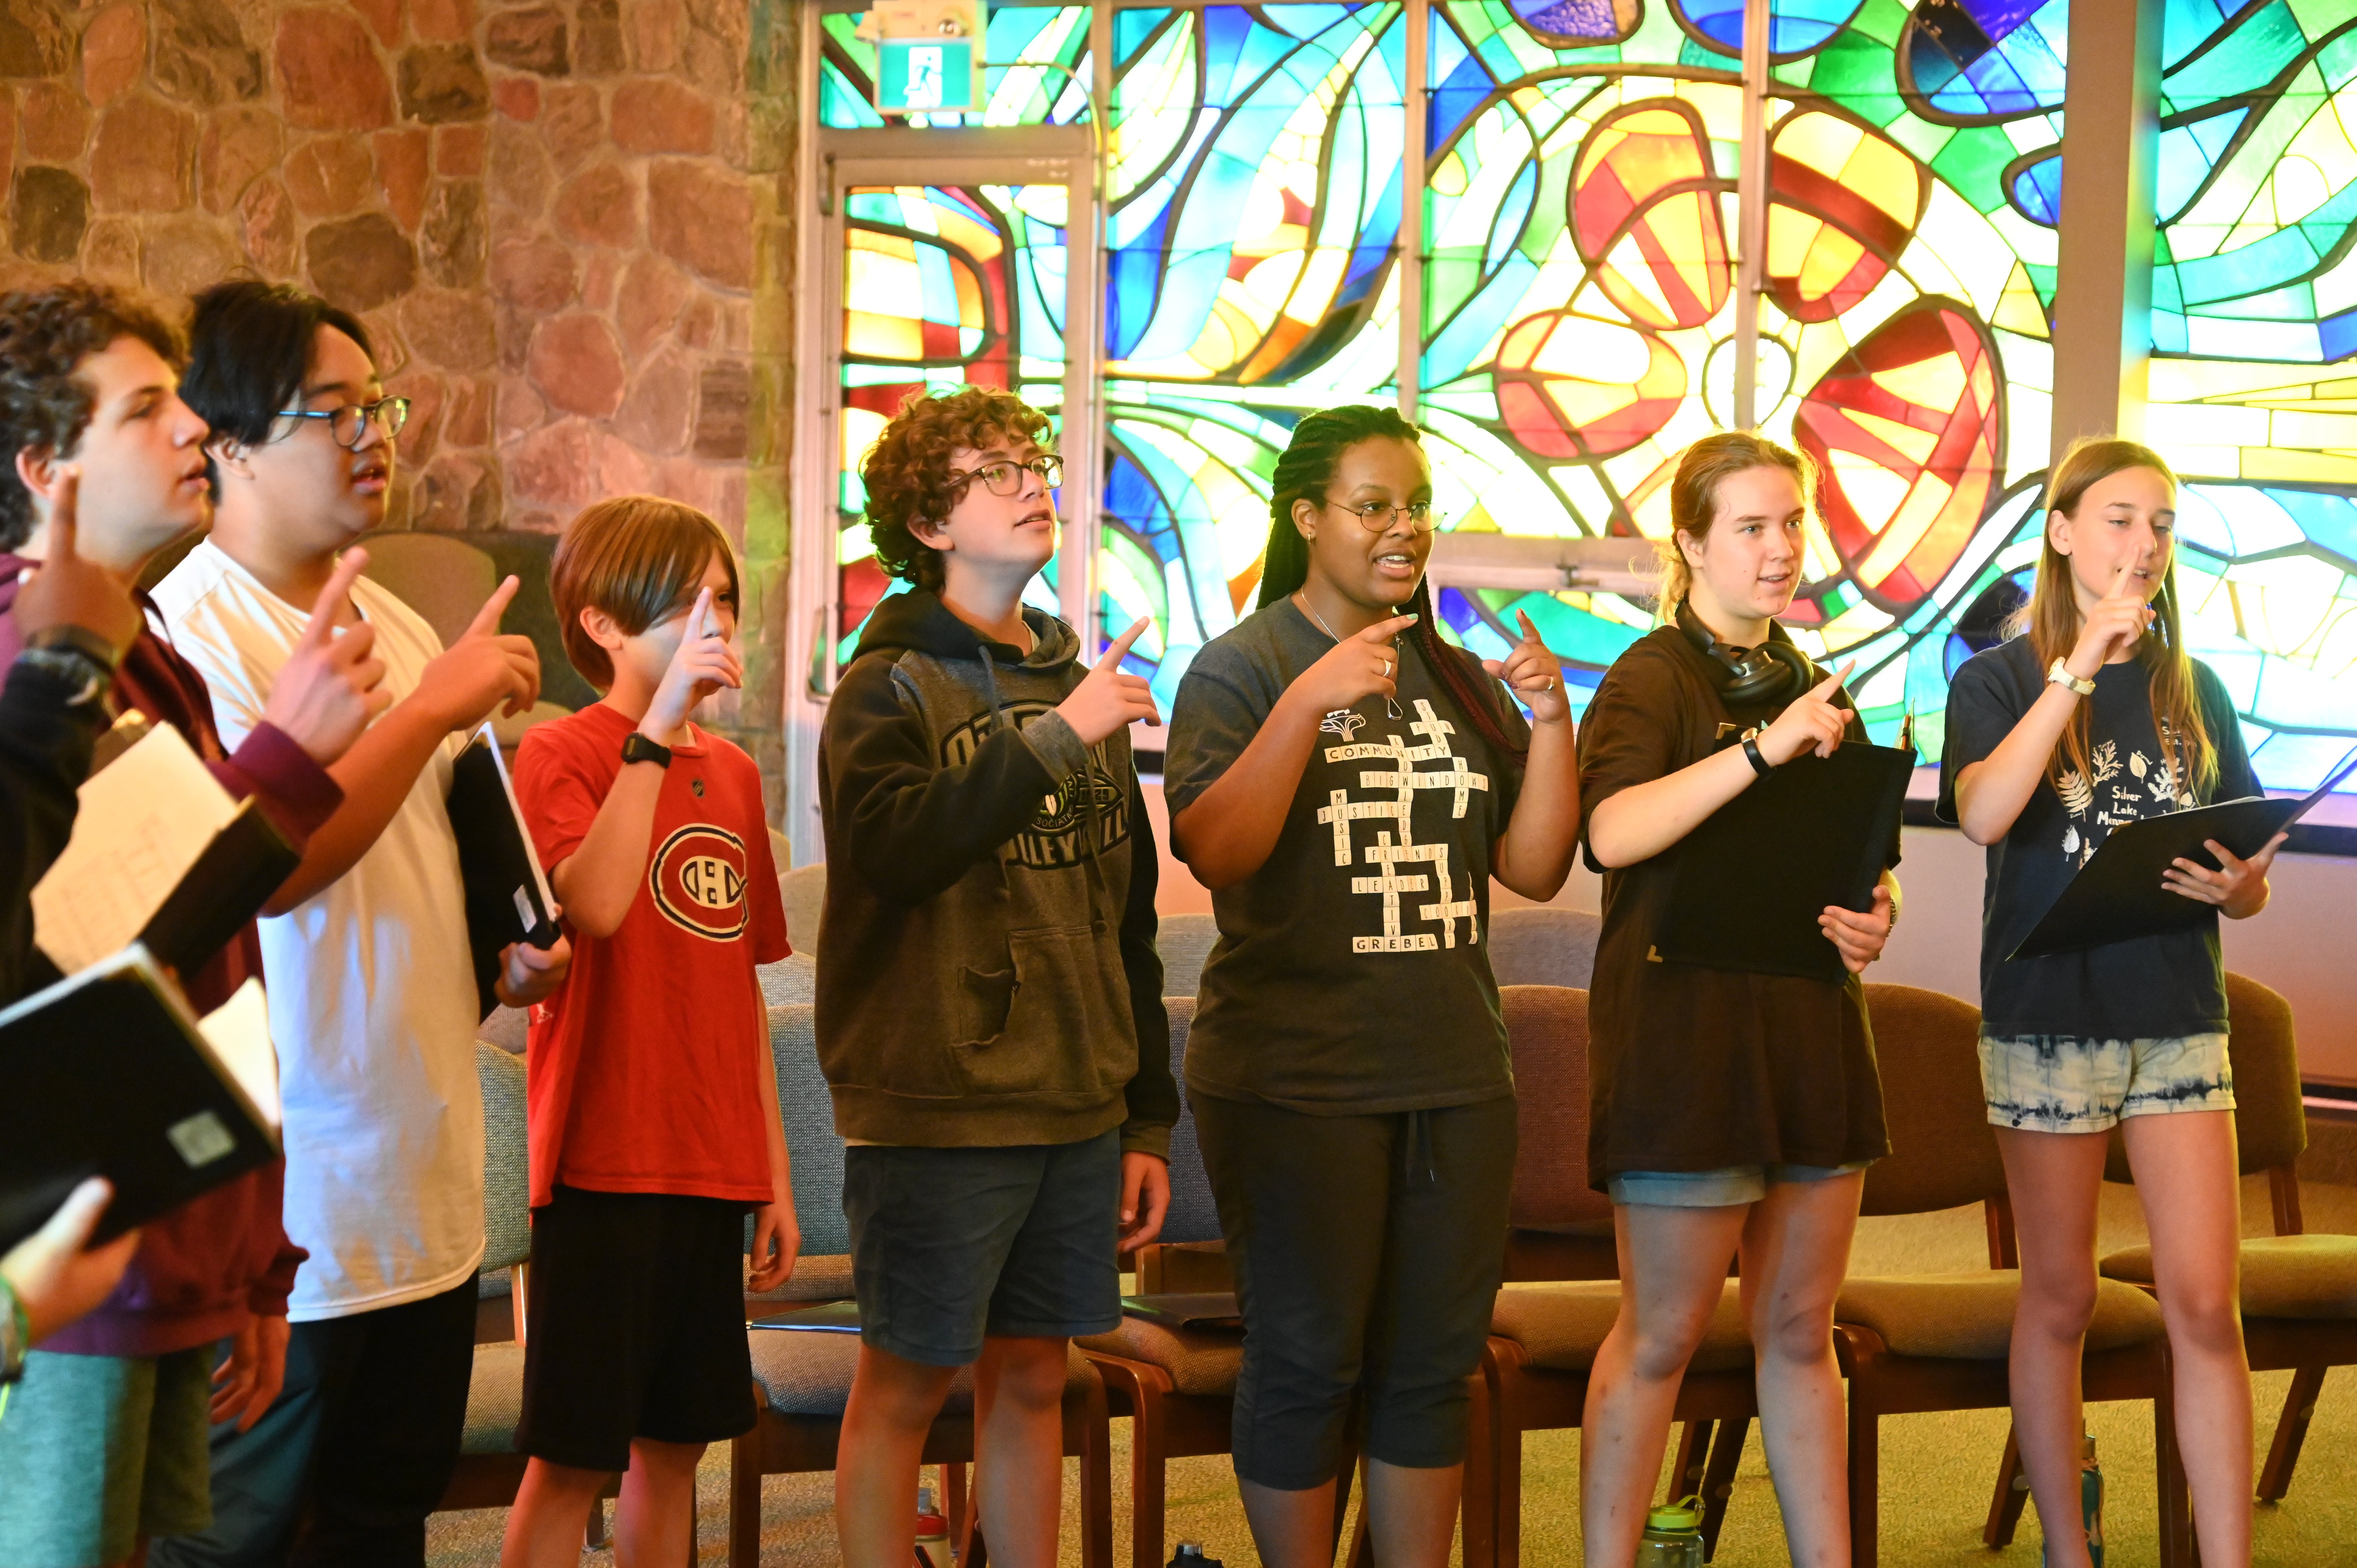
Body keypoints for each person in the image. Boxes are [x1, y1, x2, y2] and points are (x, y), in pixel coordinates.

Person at [147, 281, 569, 1568]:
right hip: (301, 1205)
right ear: (224, 444)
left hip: (425, 1177)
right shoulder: (191, 635)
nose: (375, 433)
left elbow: (426, 859)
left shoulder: (392, 616)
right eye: (333, 411)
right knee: (253, 1544)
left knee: (387, 1531)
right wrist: (431, 712)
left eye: (380, 404)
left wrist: (512, 946)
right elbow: (267, 875)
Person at [0, 280, 389, 1568]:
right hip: (68, 1263)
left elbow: (210, 973)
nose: (191, 435)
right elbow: (85, 960)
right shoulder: (26, 655)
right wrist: (286, 760)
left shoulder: (136, 652)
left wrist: (251, 1258)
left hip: (168, 1243)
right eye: (147, 408)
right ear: (45, 467)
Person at [1163, 403, 1582, 1567]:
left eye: (1417, 505)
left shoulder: (1445, 669)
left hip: (1452, 1071)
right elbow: (1218, 849)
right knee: (1308, 1358)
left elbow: (1535, 866)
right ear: (1308, 520)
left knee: (1431, 1364)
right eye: (1373, 506)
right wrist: (1309, 701)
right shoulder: (1242, 668)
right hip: (1296, 1077)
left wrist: (1550, 725)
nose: (1405, 528)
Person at [819, 385, 1174, 1568]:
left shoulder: (1076, 679)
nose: (1032, 483)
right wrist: (1060, 735)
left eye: (1033, 461)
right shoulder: (887, 687)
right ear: (927, 525)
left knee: (1034, 1378)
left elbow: (1126, 916)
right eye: (991, 471)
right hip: (939, 1106)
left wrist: (1144, 1118)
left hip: (1073, 1099)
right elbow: (898, 851)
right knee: (909, 1388)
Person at [1940, 437, 2270, 1568]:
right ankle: (2068, 1555)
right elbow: (1986, 817)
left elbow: (2240, 860)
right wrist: (2076, 664)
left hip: (2178, 1012)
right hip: (2048, 1021)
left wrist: (2247, 886)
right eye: (2121, 520)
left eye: (2164, 525)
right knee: (2063, 1297)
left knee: (2203, 1302)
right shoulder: (1991, 678)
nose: (2145, 546)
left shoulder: (2195, 685)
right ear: (2063, 533)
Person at [1574, 431, 1898, 1568]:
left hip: (1808, 1030)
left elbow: (1849, 856)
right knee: (1663, 1331)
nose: (1780, 550)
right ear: (1692, 546)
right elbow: (1612, 833)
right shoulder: (1650, 677)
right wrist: (1762, 752)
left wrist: (1874, 912)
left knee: (1799, 1330)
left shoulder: (1813, 684)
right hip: (1688, 1042)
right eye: (1752, 528)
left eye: (1793, 524)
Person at [498, 496, 796, 1565]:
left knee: (677, 1450)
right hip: (603, 1164)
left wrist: (773, 1172)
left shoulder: (741, 774)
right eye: (684, 602)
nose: (715, 620)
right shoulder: (563, 754)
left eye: (724, 598)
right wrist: (657, 734)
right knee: (576, 1457)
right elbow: (599, 905)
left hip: (711, 1166)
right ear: (602, 627)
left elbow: (740, 993)